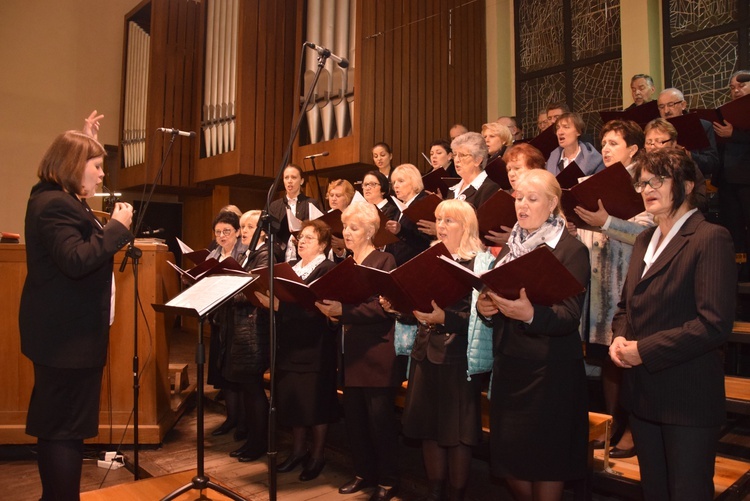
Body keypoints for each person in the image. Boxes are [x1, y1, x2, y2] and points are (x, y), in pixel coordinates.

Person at [610, 148, 736, 500]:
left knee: (687, 493)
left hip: (687, 396)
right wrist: (619, 339)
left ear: (688, 184)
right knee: (655, 492)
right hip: (643, 393)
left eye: (658, 180)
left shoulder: (709, 237)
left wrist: (643, 352)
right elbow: (625, 308)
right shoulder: (643, 239)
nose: (647, 188)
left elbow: (713, 324)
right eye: (643, 181)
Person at [20, 125, 134, 500]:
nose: (103, 174)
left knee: (59, 426)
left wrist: (86, 136)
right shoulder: (54, 203)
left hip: (63, 337)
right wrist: (116, 227)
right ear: (74, 165)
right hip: (66, 341)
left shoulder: (58, 197)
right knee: (65, 429)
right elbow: (75, 259)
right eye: (97, 165)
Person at [477, 169, 590, 501]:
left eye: (532, 198)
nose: (522, 205)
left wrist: (531, 314)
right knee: (511, 458)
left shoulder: (570, 250)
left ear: (553, 203)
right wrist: (486, 309)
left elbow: (569, 317)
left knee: (547, 461)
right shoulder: (510, 248)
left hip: (550, 371)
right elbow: (496, 296)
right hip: (511, 366)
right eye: (518, 197)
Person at [384, 199, 491, 501]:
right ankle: (434, 492)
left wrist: (446, 318)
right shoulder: (428, 258)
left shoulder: (478, 262)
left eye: (449, 221)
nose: (441, 226)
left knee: (456, 434)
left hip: (457, 357)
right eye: (439, 220)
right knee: (429, 428)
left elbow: (483, 316)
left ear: (466, 226)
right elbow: (417, 307)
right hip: (424, 353)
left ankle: (456, 495)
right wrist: (398, 306)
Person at [571, 120, 654, 459]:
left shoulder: (643, 181)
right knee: (606, 358)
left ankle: (632, 430)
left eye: (613, 143)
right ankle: (611, 426)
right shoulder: (591, 182)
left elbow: (647, 231)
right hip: (596, 283)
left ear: (633, 149)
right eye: (603, 143)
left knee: (625, 360)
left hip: (628, 283)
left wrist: (604, 222)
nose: (604, 149)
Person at [315, 202, 405, 501]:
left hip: (377, 353)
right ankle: (363, 473)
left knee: (381, 422)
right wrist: (331, 313)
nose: (347, 233)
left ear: (369, 231)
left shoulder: (384, 260)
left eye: (354, 228)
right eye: (345, 228)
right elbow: (343, 307)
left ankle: (389, 479)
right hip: (350, 353)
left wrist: (345, 310)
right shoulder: (346, 265)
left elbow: (383, 307)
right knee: (356, 422)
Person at [255, 219, 338, 481]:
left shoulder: (327, 269)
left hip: (315, 346)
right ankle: (298, 451)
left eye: (309, 238)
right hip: (288, 345)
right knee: (292, 402)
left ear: (323, 244)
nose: (301, 241)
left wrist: (280, 307)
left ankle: (317, 455)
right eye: (300, 237)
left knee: (315, 404)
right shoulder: (290, 268)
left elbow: (317, 309)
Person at [220, 210, 271, 462]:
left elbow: (254, 291)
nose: (246, 230)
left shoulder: (265, 253)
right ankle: (252, 439)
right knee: (247, 388)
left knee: (253, 389)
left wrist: (226, 288)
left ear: (262, 230)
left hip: (255, 328)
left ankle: (258, 443)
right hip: (241, 326)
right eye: (243, 226)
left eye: (251, 226)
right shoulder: (247, 253)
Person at [206, 210, 249, 440]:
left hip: (238, 320)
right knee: (223, 373)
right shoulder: (213, 254)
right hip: (218, 320)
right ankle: (231, 418)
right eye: (218, 232)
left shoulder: (244, 254)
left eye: (227, 232)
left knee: (237, 374)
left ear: (238, 232)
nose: (222, 236)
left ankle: (243, 422)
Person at [713, 70, 750, 280]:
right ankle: (738, 272)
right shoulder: (727, 112)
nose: (736, 91)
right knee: (732, 230)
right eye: (732, 88)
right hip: (727, 179)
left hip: (747, 180)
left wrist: (733, 134)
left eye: (741, 86)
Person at [483, 143, 546, 246]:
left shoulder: (544, 198)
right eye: (509, 169)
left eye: (517, 168)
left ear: (534, 169)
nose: (511, 174)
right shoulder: (509, 198)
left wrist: (514, 238)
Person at [644, 118, 708, 212]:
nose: (652, 147)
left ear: (673, 143)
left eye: (659, 141)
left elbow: (701, 199)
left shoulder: (685, 165)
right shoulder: (640, 167)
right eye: (649, 142)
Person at [656, 88, 719, 178]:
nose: (666, 111)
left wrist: (689, 155)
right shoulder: (655, 130)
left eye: (671, 105)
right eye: (661, 107)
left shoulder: (703, 126)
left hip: (693, 180)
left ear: (683, 105)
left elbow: (712, 163)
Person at [268, 164, 324, 262]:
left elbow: (320, 232)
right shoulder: (274, 206)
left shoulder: (311, 203)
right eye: (286, 177)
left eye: (293, 177)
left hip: (304, 258)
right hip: (280, 258)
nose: (289, 181)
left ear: (301, 181)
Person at [385, 164, 433, 265]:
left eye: (401, 181)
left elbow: (425, 242)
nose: (396, 186)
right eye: (394, 182)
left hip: (416, 266)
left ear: (414, 182)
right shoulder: (401, 206)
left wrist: (400, 230)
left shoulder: (423, 203)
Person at [449, 132, 500, 208]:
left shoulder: (489, 189)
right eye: (455, 155)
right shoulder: (453, 189)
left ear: (478, 160)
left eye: (462, 155)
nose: (456, 160)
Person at [545, 111, 604, 176]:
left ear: (578, 132)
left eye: (566, 127)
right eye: (558, 128)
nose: (559, 132)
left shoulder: (595, 161)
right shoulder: (551, 161)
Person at [327, 179, 356, 258]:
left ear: (347, 197)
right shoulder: (325, 215)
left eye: (338, 195)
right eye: (331, 195)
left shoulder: (354, 217)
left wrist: (344, 246)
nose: (334, 199)